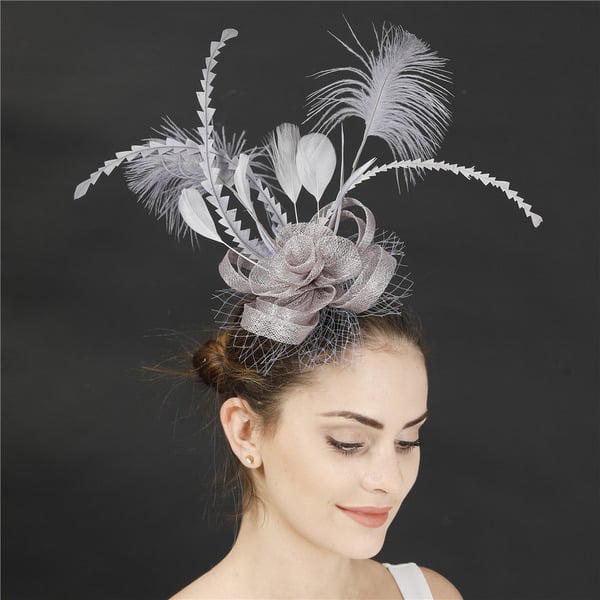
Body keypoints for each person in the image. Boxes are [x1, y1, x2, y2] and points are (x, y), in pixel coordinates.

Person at [75, 21, 540, 600]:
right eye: (348, 441)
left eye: (408, 441)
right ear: (246, 431)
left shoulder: (430, 594)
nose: (389, 481)